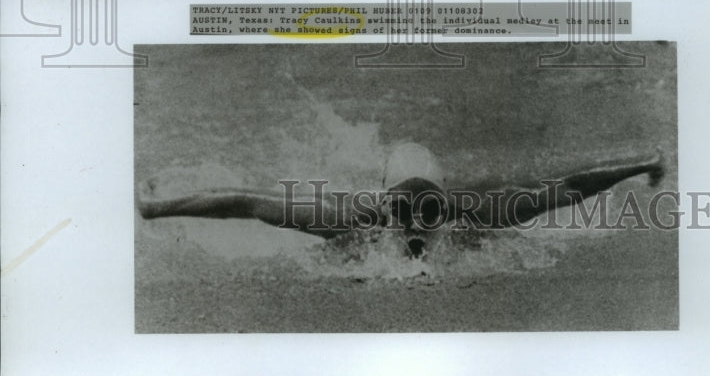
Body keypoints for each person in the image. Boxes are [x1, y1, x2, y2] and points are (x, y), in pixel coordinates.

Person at [138, 141, 664, 260]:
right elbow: (246, 202)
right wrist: (158, 209)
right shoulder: (352, 217)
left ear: (445, 206)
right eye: (407, 213)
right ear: (387, 205)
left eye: (427, 214)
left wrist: (642, 165)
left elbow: (568, 190)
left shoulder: (476, 213)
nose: (416, 228)